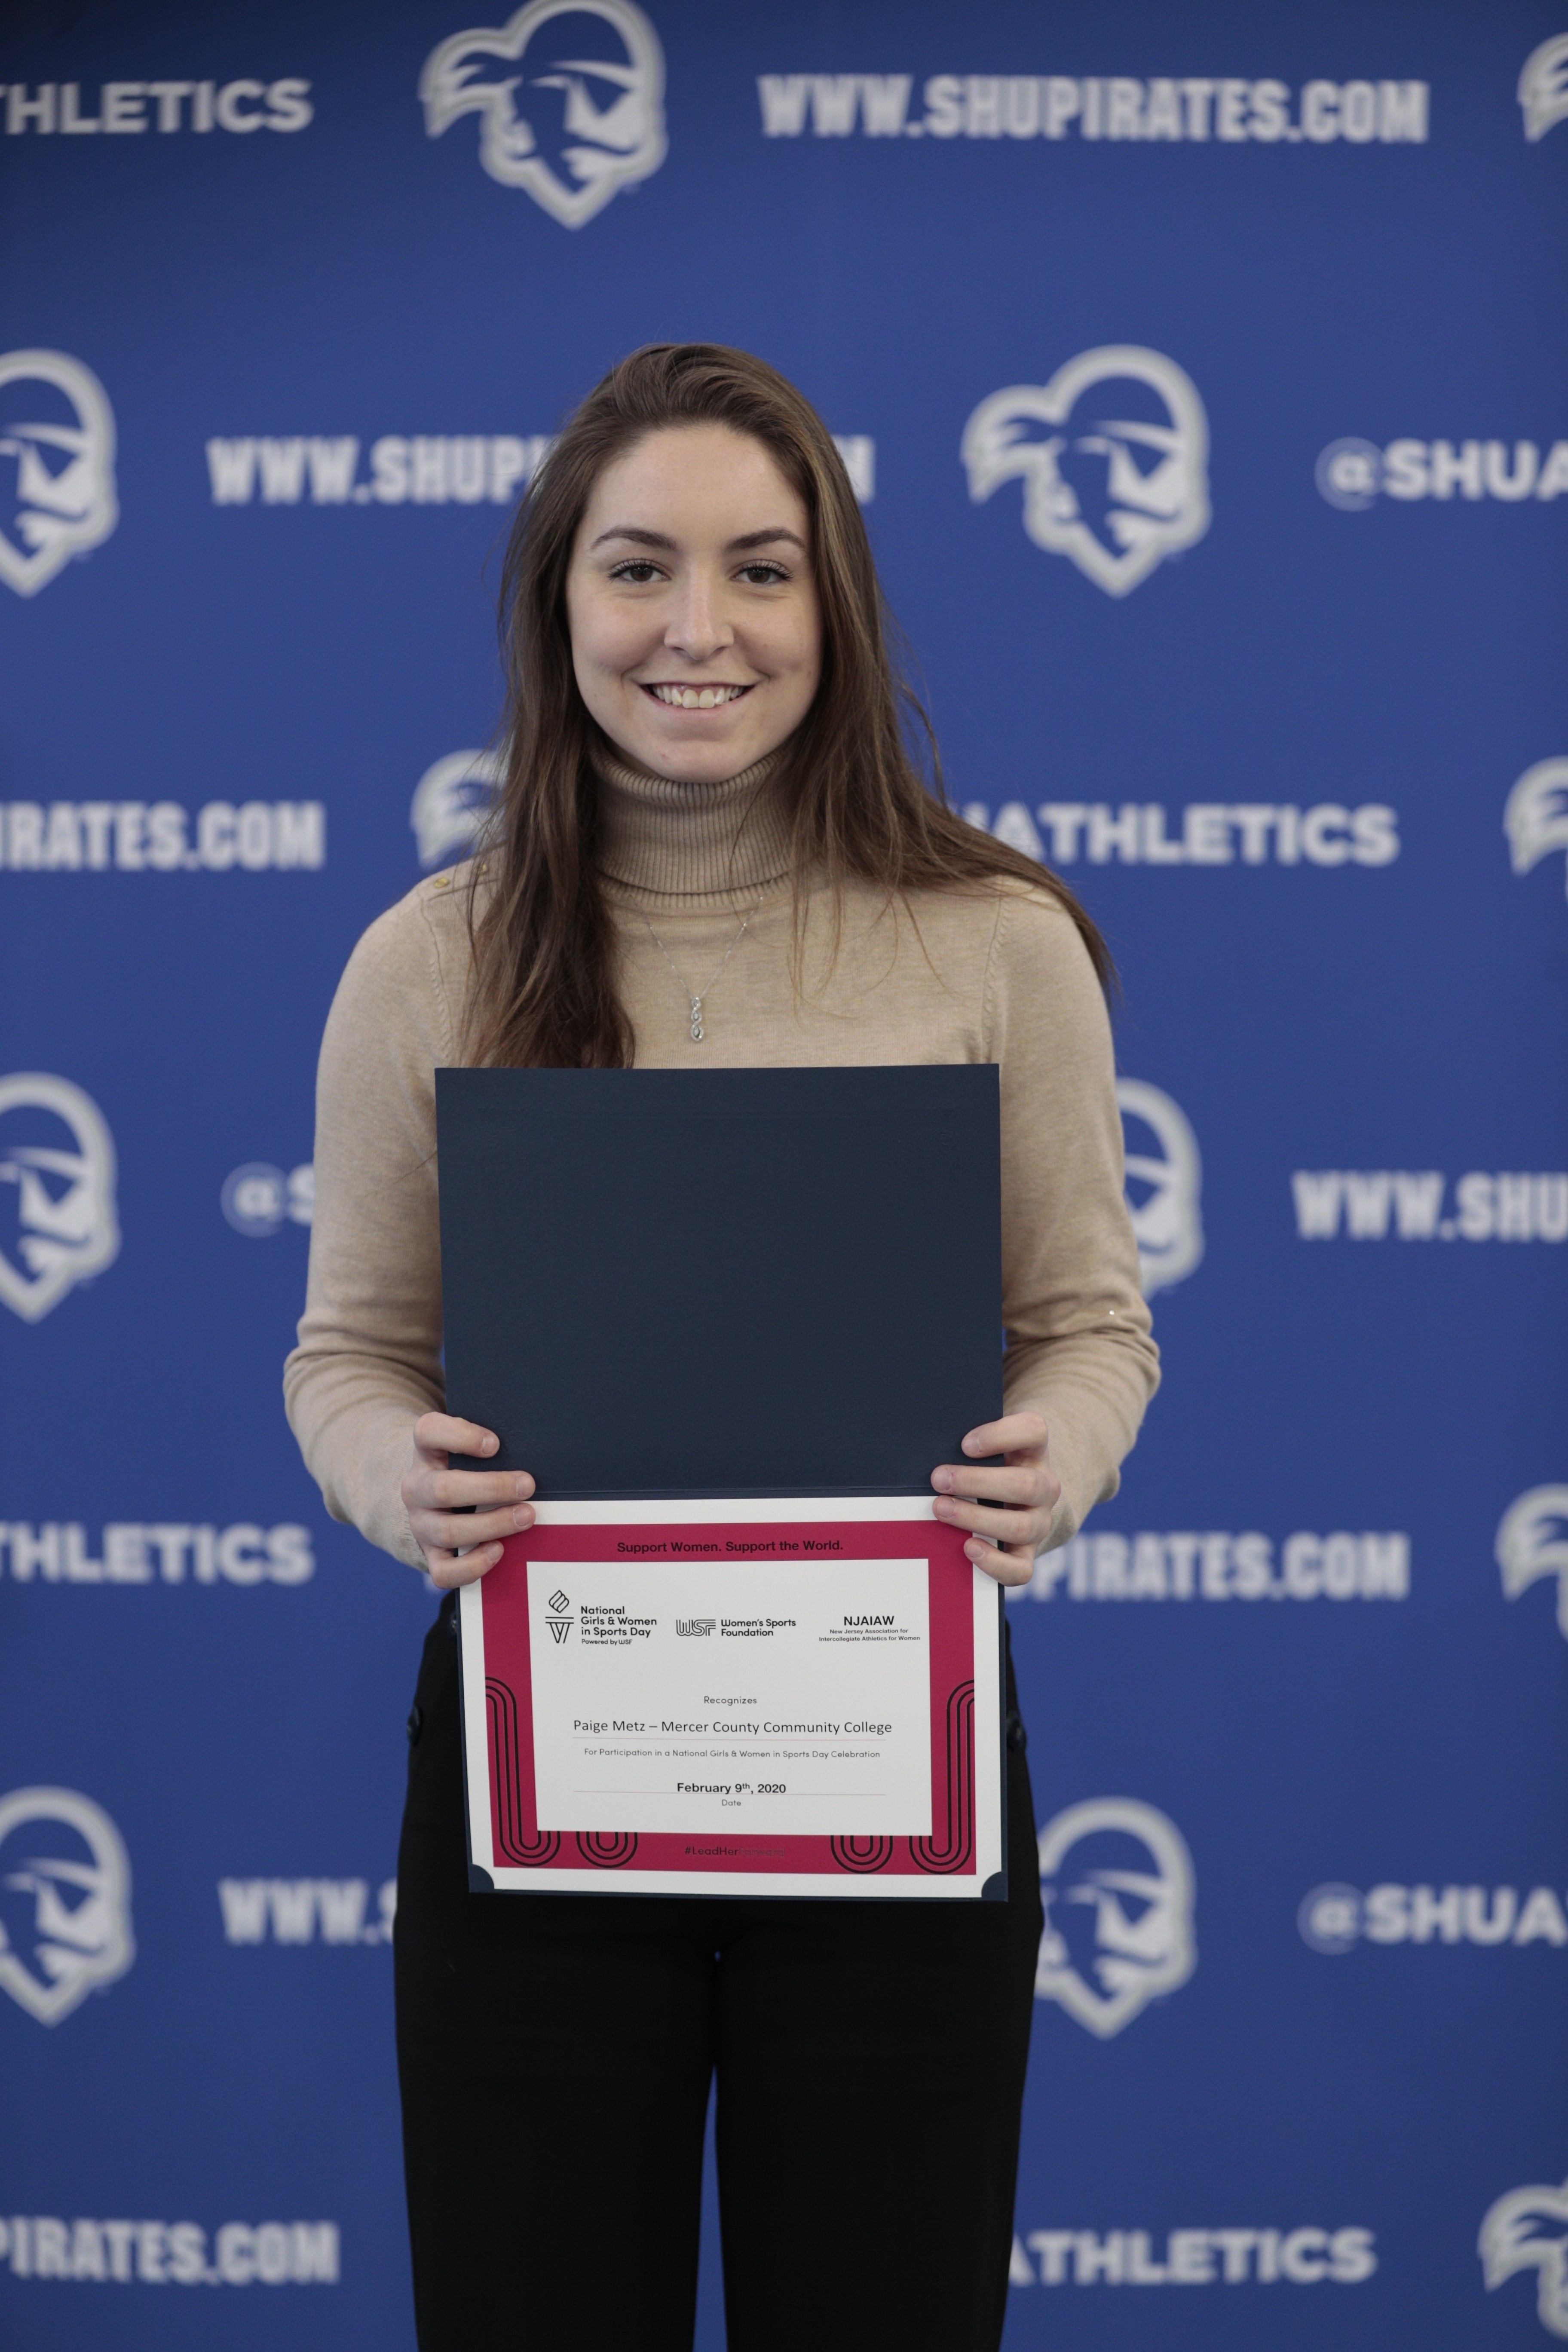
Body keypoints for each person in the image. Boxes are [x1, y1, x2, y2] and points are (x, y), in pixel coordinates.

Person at [285, 343, 1158, 2352]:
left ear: (832, 605)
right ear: (557, 604)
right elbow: (347, 1354)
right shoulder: (431, 954)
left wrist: (1060, 1450)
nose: (701, 627)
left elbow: (1092, 1325)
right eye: (639, 568)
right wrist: (388, 1469)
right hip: (545, 1770)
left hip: (886, 1766)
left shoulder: (994, 939)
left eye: (762, 570)